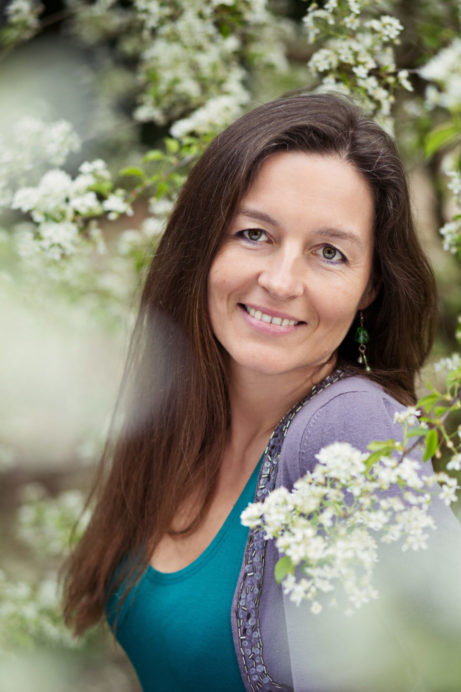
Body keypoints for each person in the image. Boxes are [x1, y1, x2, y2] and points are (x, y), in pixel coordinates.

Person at [62, 93, 457, 691]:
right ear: (204, 244)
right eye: (254, 234)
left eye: (330, 252)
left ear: (370, 286)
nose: (280, 281)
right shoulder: (180, 413)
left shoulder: (353, 432)